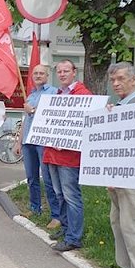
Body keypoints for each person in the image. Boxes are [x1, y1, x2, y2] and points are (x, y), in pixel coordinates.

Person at [102, 62, 135, 268]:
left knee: (133, 226)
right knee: (118, 223)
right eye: (113, 80)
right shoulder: (120, 107)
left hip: (131, 180)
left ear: (133, 80)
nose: (115, 83)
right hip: (116, 178)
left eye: (121, 79)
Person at [44, 59, 92, 252]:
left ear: (74, 72)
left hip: (70, 157)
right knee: (60, 195)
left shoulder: (83, 95)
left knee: (71, 196)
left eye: (66, 71)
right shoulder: (56, 94)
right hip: (52, 154)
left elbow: (86, 126)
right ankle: (65, 229)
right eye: (59, 71)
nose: (62, 74)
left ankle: (74, 238)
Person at [13, 65, 61, 228]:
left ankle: (56, 215)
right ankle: (35, 208)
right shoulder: (31, 94)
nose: (38, 76)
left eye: (41, 73)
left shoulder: (54, 92)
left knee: (48, 178)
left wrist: (32, 110)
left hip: (43, 141)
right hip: (28, 142)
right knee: (31, 177)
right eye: (36, 73)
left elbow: (53, 115)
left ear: (47, 76)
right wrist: (19, 141)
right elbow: (26, 119)